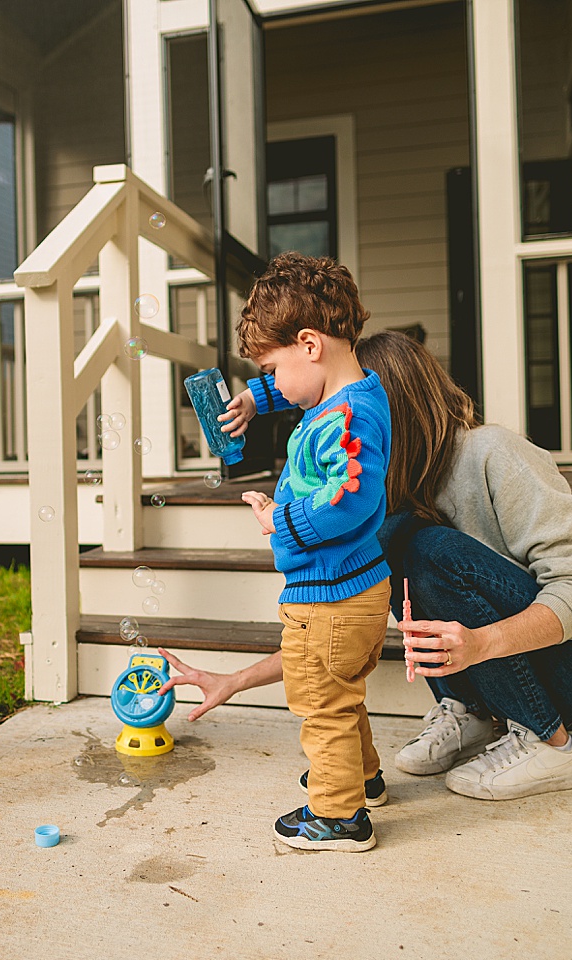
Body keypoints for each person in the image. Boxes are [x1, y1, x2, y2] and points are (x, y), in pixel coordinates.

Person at [161, 329, 572, 803]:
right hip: (509, 668)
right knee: (389, 543)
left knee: (427, 548)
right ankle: (470, 711)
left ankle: (550, 744)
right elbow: (328, 631)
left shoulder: (494, 453)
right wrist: (235, 681)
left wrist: (480, 644)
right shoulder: (391, 486)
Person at [226, 253, 393, 853]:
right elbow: (300, 388)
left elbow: (350, 496)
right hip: (356, 589)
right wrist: (256, 397)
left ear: (309, 343)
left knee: (321, 705)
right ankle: (362, 778)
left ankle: (338, 815)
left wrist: (282, 521)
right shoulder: (350, 397)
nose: (274, 381)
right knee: (343, 693)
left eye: (271, 366)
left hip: (329, 595)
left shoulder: (344, 417)